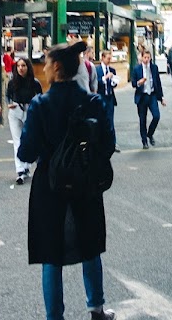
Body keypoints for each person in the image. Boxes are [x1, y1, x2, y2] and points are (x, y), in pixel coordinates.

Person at [17, 40, 116, 320]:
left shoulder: (41, 104)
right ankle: (96, 308)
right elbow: (108, 144)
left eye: (47, 63)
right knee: (90, 244)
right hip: (86, 182)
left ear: (57, 67)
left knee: (51, 252)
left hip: (50, 184)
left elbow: (26, 152)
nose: (44, 68)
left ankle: (54, 316)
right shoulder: (93, 102)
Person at [6, 56, 42, 185]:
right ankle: (20, 170)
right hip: (15, 111)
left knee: (29, 138)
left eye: (23, 66)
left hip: (29, 110)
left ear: (28, 67)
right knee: (17, 140)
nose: (21, 68)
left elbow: (39, 97)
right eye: (19, 66)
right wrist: (9, 104)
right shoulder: (12, 82)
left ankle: (26, 165)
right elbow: (7, 96)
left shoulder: (34, 82)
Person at [130, 50, 164, 149]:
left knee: (156, 116)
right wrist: (139, 82)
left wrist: (161, 98)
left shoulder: (154, 68)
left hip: (152, 95)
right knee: (142, 119)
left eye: (148, 57)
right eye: (145, 57)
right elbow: (133, 83)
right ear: (141, 57)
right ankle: (144, 140)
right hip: (142, 96)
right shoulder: (137, 69)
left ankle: (150, 134)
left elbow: (158, 82)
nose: (146, 59)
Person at [96, 49, 120, 152]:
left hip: (109, 97)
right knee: (100, 120)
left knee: (110, 121)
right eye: (108, 58)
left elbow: (114, 84)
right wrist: (105, 78)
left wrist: (114, 82)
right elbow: (95, 83)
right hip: (100, 97)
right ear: (103, 58)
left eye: (110, 58)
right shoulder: (97, 70)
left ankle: (113, 143)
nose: (109, 60)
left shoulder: (112, 70)